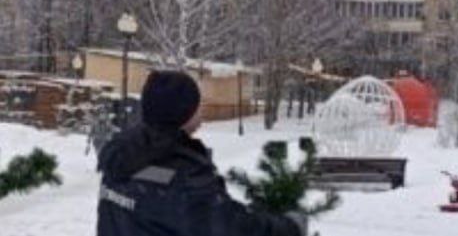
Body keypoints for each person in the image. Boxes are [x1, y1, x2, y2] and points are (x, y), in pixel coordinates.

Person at [97, 70, 304, 236]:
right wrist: (287, 227)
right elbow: (230, 226)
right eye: (197, 104)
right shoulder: (184, 175)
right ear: (182, 111)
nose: (201, 109)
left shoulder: (121, 156)